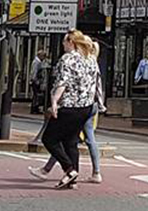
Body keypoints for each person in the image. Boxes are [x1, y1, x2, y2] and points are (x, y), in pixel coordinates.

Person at [31, 41, 106, 184]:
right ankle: (76, 177)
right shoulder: (92, 62)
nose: (63, 44)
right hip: (88, 106)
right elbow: (98, 86)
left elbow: (63, 83)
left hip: (71, 106)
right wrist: (99, 105)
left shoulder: (69, 59)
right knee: (70, 141)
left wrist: (54, 102)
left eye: (65, 41)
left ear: (72, 43)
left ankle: (68, 169)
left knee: (51, 138)